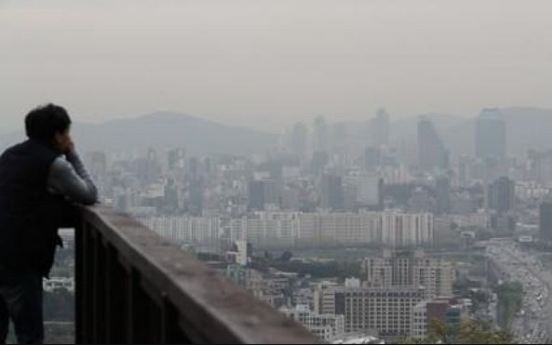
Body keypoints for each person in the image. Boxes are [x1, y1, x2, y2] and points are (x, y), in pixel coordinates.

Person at [0, 104, 98, 344]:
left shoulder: (9, 155)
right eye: (67, 133)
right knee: (29, 335)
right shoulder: (54, 164)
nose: (69, 139)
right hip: (21, 260)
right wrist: (72, 153)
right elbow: (89, 194)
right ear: (58, 135)